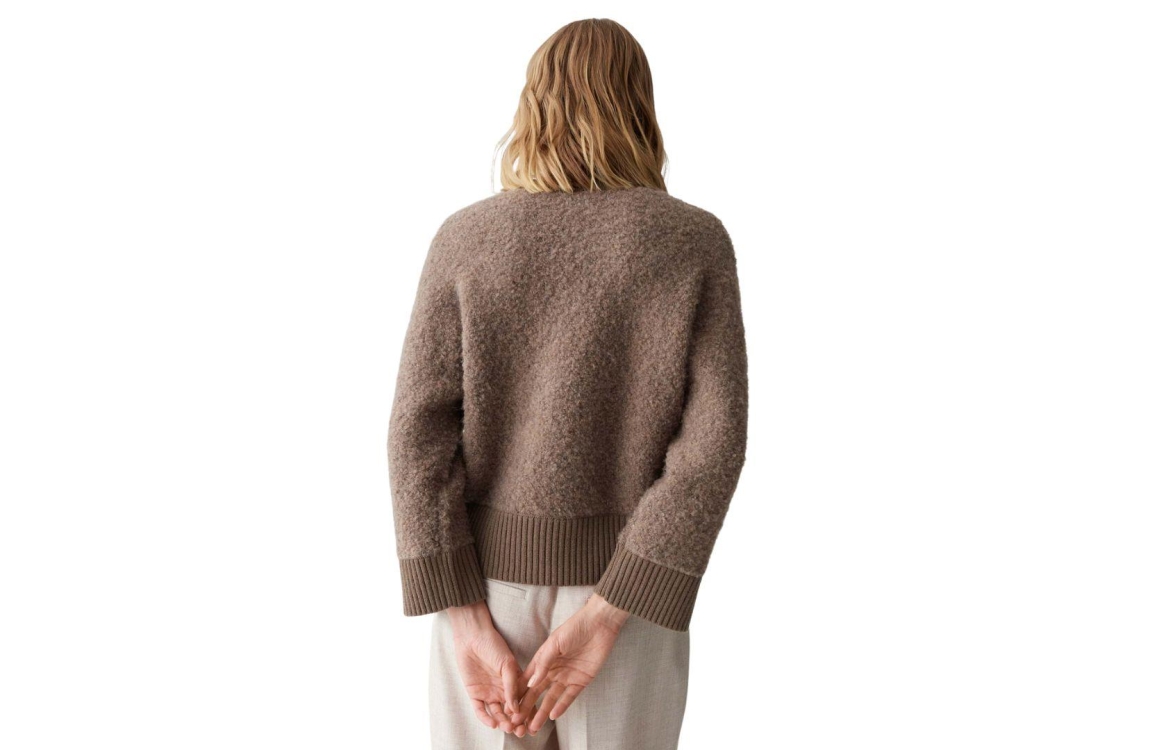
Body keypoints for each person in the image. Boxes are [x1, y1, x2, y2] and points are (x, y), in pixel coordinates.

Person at [387, 18, 749, 750]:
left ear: (533, 104)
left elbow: (415, 435)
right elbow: (713, 445)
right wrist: (611, 609)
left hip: (486, 590)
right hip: (633, 594)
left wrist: (464, 617)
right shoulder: (691, 240)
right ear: (638, 105)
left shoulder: (466, 237)